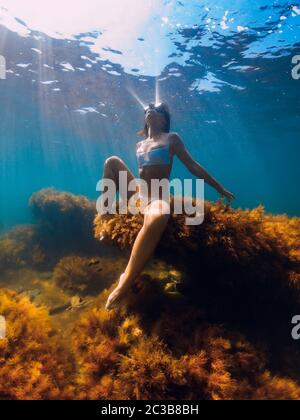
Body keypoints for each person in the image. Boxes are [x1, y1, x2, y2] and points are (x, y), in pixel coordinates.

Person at [103, 102, 235, 310]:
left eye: (154, 108)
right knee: (111, 161)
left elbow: (193, 166)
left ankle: (125, 281)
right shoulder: (140, 144)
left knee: (158, 216)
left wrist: (219, 188)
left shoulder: (171, 139)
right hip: (139, 194)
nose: (149, 109)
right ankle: (105, 215)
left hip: (157, 199)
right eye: (146, 108)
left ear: (164, 118)